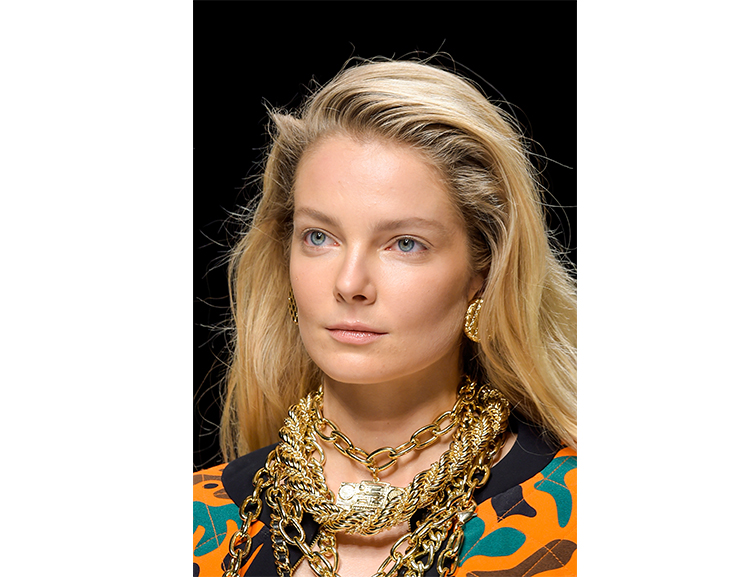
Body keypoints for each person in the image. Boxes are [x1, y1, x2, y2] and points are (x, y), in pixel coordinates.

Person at [193, 58, 577, 577]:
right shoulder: (199, 519)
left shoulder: (575, 512)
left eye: (405, 243)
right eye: (319, 237)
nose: (349, 283)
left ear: (483, 272)